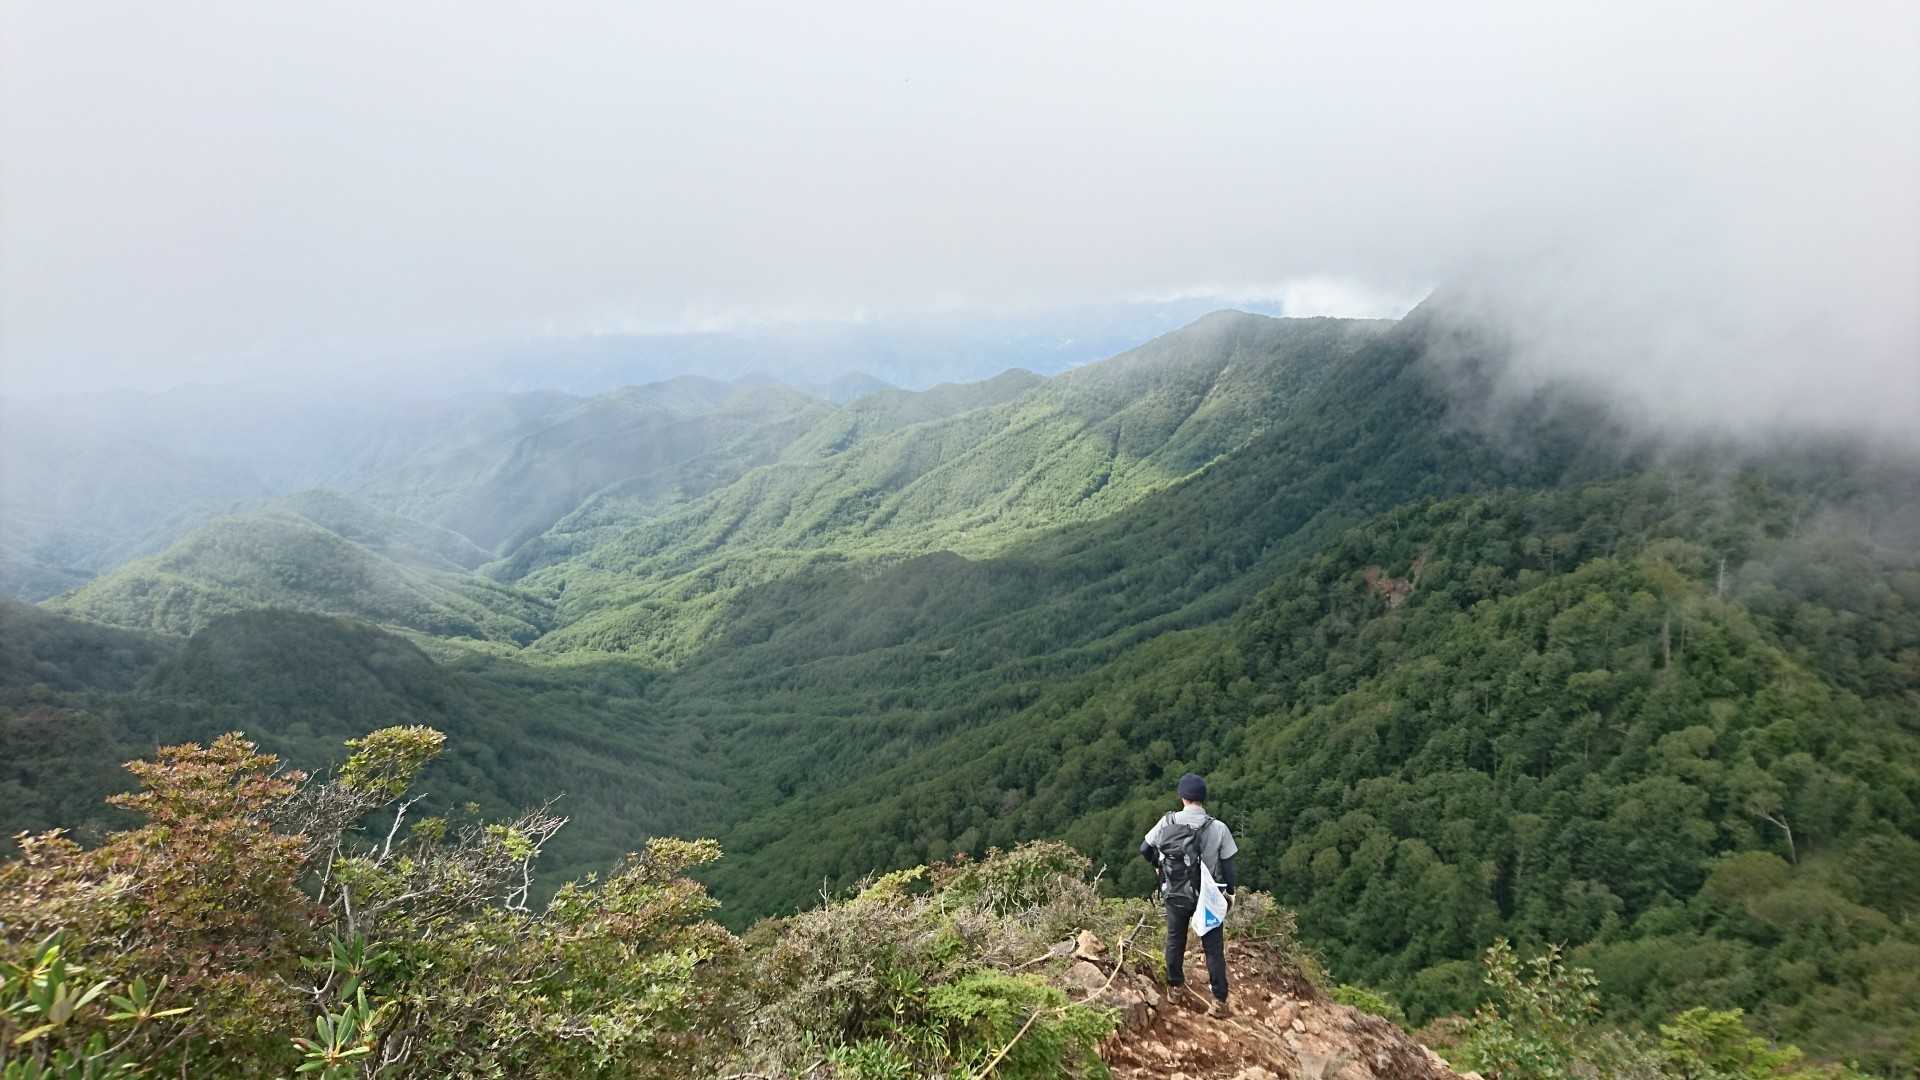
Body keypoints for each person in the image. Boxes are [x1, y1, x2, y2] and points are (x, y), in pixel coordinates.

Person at [1141, 772, 1238, 1018]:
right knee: (1213, 949)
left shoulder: (1168, 821)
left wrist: (1158, 866)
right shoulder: (1219, 828)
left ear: (1182, 797)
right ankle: (1219, 1001)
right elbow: (1229, 866)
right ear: (1203, 798)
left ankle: (1175, 988)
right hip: (1208, 897)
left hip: (1176, 892)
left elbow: (1145, 848)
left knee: (1175, 940)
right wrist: (1230, 893)